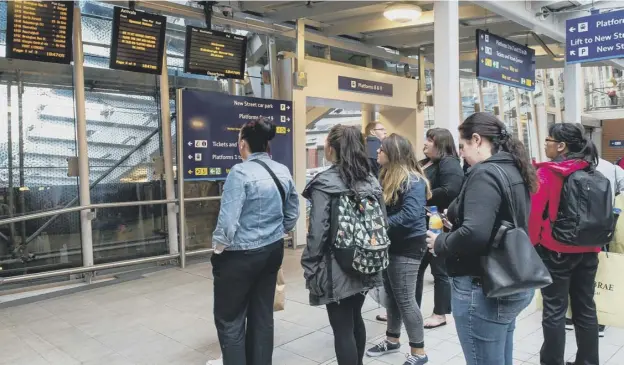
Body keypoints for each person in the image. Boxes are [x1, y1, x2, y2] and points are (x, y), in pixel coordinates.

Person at [426, 113, 537, 365]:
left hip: (482, 286)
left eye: (463, 147)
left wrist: (440, 242)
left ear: (477, 140)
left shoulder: (484, 173)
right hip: (511, 278)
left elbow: (475, 233)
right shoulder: (514, 167)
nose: (461, 154)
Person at [211, 118, 300, 365]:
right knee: (262, 316)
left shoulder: (239, 173)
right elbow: (292, 211)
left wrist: (218, 249)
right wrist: (276, 232)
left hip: (240, 257)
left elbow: (228, 224)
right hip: (272, 252)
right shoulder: (281, 170)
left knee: (230, 320)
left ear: (242, 144)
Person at [301, 125, 384, 365]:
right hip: (367, 260)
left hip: (334, 266)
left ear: (332, 148)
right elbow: (383, 224)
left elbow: (318, 232)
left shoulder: (324, 183)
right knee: (355, 317)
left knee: (342, 329)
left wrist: (310, 266)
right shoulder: (370, 180)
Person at [529, 123, 601, 365]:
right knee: (586, 309)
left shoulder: (549, 173)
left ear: (561, 146)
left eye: (548, 139)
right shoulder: (593, 170)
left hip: (556, 251)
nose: (546, 144)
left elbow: (535, 215)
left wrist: (531, 248)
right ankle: (588, 362)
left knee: (554, 311)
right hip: (590, 250)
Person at [366, 134, 431, 365]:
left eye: (382, 149)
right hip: (392, 245)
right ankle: (392, 339)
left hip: (408, 247)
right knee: (392, 297)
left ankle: (419, 353)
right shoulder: (387, 176)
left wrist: (378, 225)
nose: (377, 152)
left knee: (405, 299)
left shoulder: (412, 180)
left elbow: (410, 215)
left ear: (393, 153)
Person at [416, 128, 464, 329]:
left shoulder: (449, 163)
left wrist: (422, 193)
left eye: (430, 140)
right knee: (417, 268)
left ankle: (441, 312)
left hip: (439, 224)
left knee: (439, 270)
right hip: (425, 222)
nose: (425, 143)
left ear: (441, 144)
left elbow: (451, 190)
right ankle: (409, 308)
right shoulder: (426, 162)